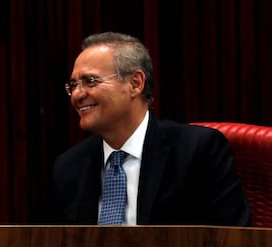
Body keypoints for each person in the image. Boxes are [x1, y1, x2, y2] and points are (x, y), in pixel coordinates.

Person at [51, 32, 250, 226]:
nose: (76, 95)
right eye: (73, 85)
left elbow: (232, 244)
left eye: (90, 81)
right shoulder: (69, 166)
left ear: (135, 84)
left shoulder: (197, 150)